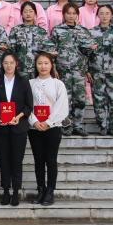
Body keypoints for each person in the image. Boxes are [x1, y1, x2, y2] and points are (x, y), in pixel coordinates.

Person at [49, 2, 98, 135]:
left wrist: (88, 68)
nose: (71, 16)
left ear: (77, 15)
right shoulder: (57, 30)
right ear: (64, 14)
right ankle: (66, 126)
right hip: (63, 71)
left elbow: (89, 53)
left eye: (73, 13)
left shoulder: (83, 31)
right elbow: (52, 51)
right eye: (68, 13)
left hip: (79, 71)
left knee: (80, 100)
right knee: (64, 99)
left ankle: (78, 125)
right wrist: (53, 68)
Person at [29, 52, 69, 206]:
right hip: (35, 128)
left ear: (51, 65)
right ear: (35, 65)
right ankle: (41, 189)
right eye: (40, 63)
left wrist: (48, 122)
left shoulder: (58, 84)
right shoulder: (30, 83)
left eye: (46, 63)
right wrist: (34, 121)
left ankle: (50, 191)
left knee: (51, 160)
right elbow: (26, 105)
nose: (43, 66)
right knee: (38, 160)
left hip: (52, 127)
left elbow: (61, 106)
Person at [0, 53, 33, 206]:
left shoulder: (23, 81)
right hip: (2, 128)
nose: (8, 65)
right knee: (4, 160)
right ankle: (5, 191)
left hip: (19, 127)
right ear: (2, 64)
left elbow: (29, 105)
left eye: (11, 62)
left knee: (17, 160)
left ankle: (16, 191)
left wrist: (19, 116)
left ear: (16, 64)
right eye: (5, 62)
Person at [89, 5, 113, 136]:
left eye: (107, 13)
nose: (104, 16)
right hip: (96, 71)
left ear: (111, 15)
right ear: (97, 15)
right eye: (101, 13)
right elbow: (85, 53)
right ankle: (102, 125)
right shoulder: (91, 33)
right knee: (98, 99)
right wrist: (87, 70)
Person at [8, 2, 53, 79]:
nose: (28, 14)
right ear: (21, 14)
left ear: (35, 13)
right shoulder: (15, 30)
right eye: (25, 12)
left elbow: (46, 52)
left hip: (38, 70)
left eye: (31, 11)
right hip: (20, 69)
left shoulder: (41, 31)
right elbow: (11, 51)